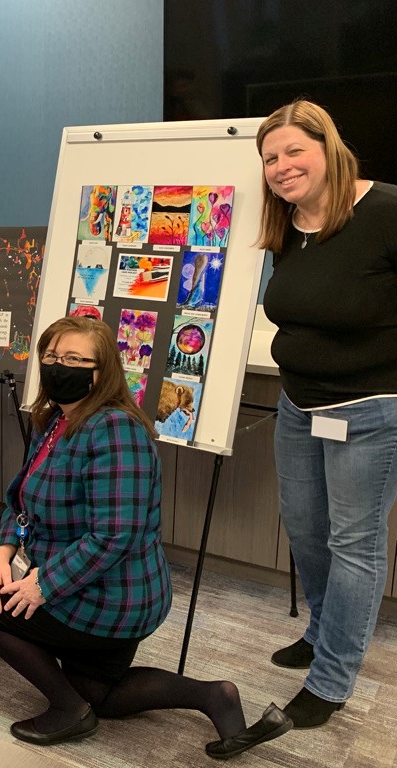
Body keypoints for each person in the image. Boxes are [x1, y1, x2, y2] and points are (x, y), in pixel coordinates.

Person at [0, 317, 292, 759]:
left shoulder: (115, 429)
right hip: (89, 580)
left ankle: (66, 710)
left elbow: (116, 536)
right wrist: (0, 555)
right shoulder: (57, 420)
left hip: (115, 594)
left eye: (76, 360)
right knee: (98, 693)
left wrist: (43, 585)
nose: (60, 367)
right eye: (53, 357)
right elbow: (20, 498)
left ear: (104, 372)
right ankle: (214, 695)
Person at [257, 99, 397, 728]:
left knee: (354, 543)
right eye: (269, 158)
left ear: (328, 147)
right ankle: (322, 629)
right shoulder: (288, 224)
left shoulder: (387, 211)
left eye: (293, 151)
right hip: (298, 405)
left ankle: (333, 676)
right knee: (307, 529)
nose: (281, 167)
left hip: (370, 411)